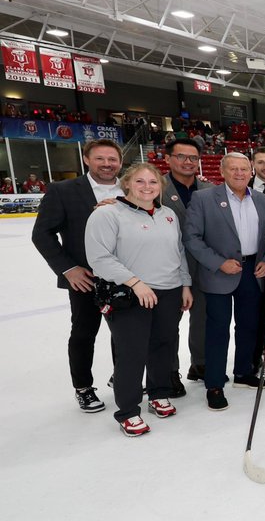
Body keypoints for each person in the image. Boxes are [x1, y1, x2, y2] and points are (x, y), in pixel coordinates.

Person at [84, 164, 192, 436]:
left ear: (160, 186)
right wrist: (135, 283)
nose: (147, 187)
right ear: (127, 184)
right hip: (130, 294)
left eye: (153, 182)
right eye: (140, 181)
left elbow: (178, 251)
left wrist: (185, 284)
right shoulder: (108, 214)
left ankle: (158, 393)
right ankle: (128, 410)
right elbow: (99, 258)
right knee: (132, 352)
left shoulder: (168, 214)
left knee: (163, 345)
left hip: (169, 290)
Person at [32, 139, 124, 413]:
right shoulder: (63, 190)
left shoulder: (131, 188)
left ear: (120, 162)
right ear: (86, 159)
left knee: (126, 332)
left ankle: (122, 376)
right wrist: (68, 268)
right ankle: (83, 387)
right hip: (86, 278)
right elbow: (42, 234)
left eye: (112, 159)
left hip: (126, 276)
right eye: (100, 158)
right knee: (84, 333)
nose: (107, 164)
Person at [182, 153, 265, 411]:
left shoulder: (262, 200)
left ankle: (244, 372)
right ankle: (214, 384)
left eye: (244, 169)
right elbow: (192, 238)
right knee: (217, 330)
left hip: (252, 271)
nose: (239, 173)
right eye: (233, 168)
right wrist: (219, 262)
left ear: (251, 171)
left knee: (249, 325)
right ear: (222, 171)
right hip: (218, 271)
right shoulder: (203, 198)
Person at [159, 138, 213, 391]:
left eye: (193, 158)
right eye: (181, 156)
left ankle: (200, 363)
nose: (188, 162)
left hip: (202, 264)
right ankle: (169, 371)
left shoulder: (209, 188)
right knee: (168, 323)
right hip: (167, 266)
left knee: (202, 319)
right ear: (168, 159)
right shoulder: (155, 187)